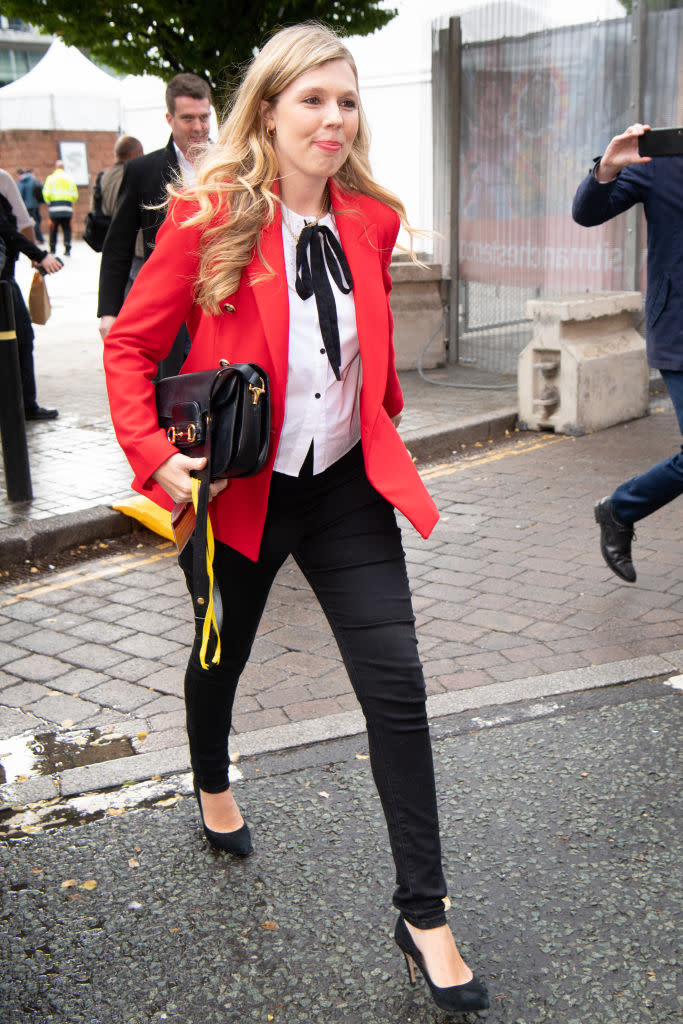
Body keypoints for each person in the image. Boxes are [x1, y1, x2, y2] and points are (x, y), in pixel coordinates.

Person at [102, 23, 489, 1015]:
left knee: (395, 686)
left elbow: (371, 346)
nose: (331, 118)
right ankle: (208, 777)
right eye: (311, 99)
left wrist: (384, 411)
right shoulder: (208, 217)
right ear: (266, 110)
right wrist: (157, 458)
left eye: (345, 101)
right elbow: (130, 350)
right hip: (239, 493)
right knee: (217, 659)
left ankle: (422, 912)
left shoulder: (369, 219)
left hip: (347, 489)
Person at [573, 123, 683, 583]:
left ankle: (620, 509)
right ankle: (620, 508)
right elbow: (587, 213)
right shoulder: (660, 157)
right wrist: (606, 169)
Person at [97, 73, 211, 378]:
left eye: (204, 117)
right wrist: (109, 311)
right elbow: (118, 243)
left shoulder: (233, 163)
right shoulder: (141, 170)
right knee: (173, 386)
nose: (199, 127)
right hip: (169, 301)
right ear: (169, 118)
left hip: (220, 297)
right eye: (188, 118)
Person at [0, 177, 62, 420]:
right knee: (22, 338)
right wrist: (39, 255)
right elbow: (9, 230)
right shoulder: (3, 179)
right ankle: (26, 405)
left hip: (6, 276)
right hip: (4, 281)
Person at [42, 160, 78, 256]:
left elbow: (46, 193)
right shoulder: (69, 179)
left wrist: (49, 201)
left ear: (56, 167)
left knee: (53, 229)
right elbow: (75, 195)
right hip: (67, 208)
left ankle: (53, 249)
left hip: (54, 208)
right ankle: (67, 249)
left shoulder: (51, 178)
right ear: (63, 168)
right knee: (67, 229)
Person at [17, 168, 44, 242]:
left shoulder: (22, 181)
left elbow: (19, 194)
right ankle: (40, 238)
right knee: (36, 222)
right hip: (36, 205)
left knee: (30, 223)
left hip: (27, 206)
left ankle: (37, 238)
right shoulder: (34, 180)